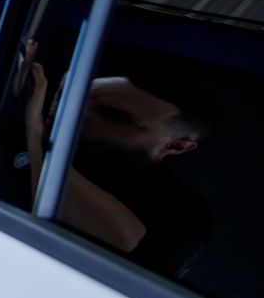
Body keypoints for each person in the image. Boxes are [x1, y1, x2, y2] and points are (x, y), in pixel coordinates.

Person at [24, 55, 217, 276]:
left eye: (114, 116)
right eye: (72, 95)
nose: (72, 111)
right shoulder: (59, 140)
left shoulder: (186, 213)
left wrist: (36, 135)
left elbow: (125, 254)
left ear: (176, 145)